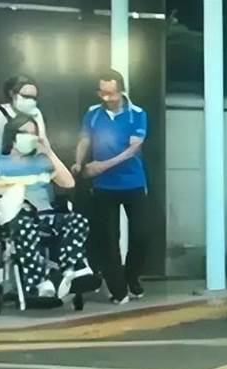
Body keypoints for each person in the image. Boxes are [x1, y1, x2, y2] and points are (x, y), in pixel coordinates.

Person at [0, 115, 92, 302]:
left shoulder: (41, 162)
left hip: (46, 216)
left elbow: (68, 183)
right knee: (24, 226)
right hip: (16, 217)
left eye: (34, 134)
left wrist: (49, 152)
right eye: (25, 133)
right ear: (13, 136)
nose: (30, 138)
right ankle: (39, 283)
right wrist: (17, 189)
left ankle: (71, 270)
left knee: (77, 221)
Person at [72, 69, 149, 304]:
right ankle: (118, 288)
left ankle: (132, 276)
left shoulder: (137, 114)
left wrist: (102, 166)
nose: (106, 98)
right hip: (104, 187)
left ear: (121, 90)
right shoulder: (93, 114)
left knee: (142, 234)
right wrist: (78, 162)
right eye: (102, 93)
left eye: (111, 93)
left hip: (133, 182)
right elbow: (84, 139)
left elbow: (133, 149)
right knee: (108, 238)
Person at [0, 75, 47, 157]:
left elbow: (44, 143)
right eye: (26, 96)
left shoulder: (36, 114)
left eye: (33, 98)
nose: (30, 101)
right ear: (12, 93)